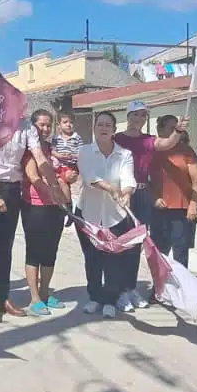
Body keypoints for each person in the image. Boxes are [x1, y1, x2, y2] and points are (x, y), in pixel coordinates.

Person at [112, 100, 187, 310]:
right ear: (127, 117)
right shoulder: (116, 139)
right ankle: (118, 290)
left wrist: (178, 131)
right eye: (135, 115)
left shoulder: (149, 140)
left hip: (143, 194)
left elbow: (167, 143)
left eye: (143, 115)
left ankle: (130, 288)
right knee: (120, 242)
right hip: (122, 194)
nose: (139, 119)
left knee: (137, 242)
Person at [0, 116, 51, 321]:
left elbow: (39, 156)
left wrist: (51, 183)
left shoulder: (27, 127)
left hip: (13, 188)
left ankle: (3, 298)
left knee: (6, 248)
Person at [75, 111, 136, 318]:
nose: (103, 128)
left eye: (107, 125)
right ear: (94, 129)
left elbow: (128, 180)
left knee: (113, 260)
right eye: (99, 124)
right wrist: (111, 188)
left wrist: (126, 193)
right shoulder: (84, 151)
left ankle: (110, 300)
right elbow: (89, 175)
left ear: (113, 130)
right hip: (88, 213)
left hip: (115, 215)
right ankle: (95, 297)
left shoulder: (124, 154)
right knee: (92, 258)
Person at [22, 109, 71, 316]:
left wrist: (68, 178)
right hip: (34, 207)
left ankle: (44, 293)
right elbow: (33, 177)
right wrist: (53, 193)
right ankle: (34, 299)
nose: (45, 128)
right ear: (32, 126)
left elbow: (61, 174)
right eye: (41, 124)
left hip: (55, 208)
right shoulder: (29, 151)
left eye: (48, 125)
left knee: (51, 252)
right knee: (35, 252)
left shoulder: (51, 150)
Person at [148, 114, 197, 275]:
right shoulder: (151, 150)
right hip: (158, 208)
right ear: (160, 129)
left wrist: (193, 203)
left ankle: (181, 289)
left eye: (178, 128)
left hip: (181, 208)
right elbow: (142, 178)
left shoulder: (186, 151)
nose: (176, 132)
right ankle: (160, 288)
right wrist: (153, 198)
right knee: (159, 251)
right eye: (172, 128)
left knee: (180, 251)